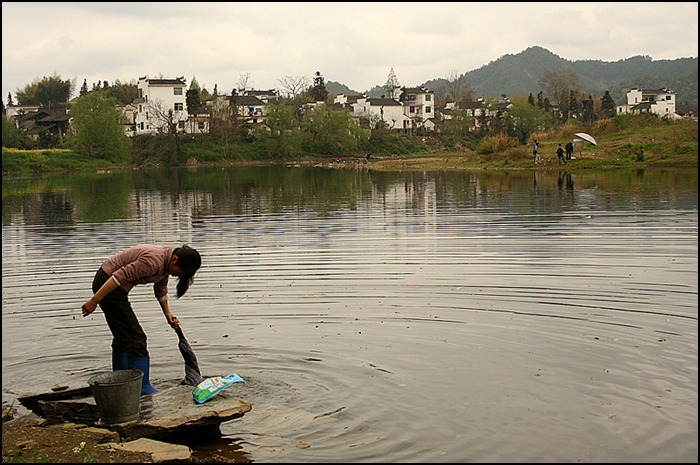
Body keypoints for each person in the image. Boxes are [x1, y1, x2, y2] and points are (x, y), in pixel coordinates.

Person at [81, 244, 202, 394]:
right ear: (175, 259)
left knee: (123, 336)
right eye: (181, 272)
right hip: (108, 284)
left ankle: (121, 382)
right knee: (136, 339)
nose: (179, 276)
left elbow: (161, 290)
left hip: (114, 286)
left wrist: (168, 314)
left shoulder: (165, 264)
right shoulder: (153, 262)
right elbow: (118, 277)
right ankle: (142, 387)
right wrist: (95, 300)